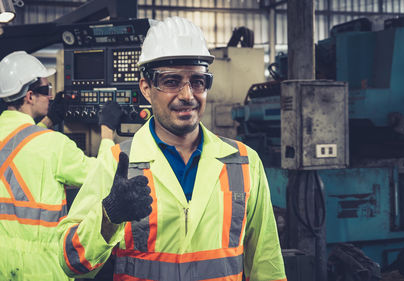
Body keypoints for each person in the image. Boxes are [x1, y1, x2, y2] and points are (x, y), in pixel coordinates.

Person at [58, 17, 287, 281]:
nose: (188, 95)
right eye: (171, 81)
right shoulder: (116, 163)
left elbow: (267, 263)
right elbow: (69, 261)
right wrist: (109, 216)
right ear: (146, 88)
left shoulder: (245, 162)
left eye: (198, 81)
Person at [0, 51, 122, 281]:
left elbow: (16, 147)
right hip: (41, 269)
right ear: (30, 96)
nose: (50, 96)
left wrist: (48, 121)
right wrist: (107, 132)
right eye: (46, 89)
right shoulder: (53, 145)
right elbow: (102, 176)